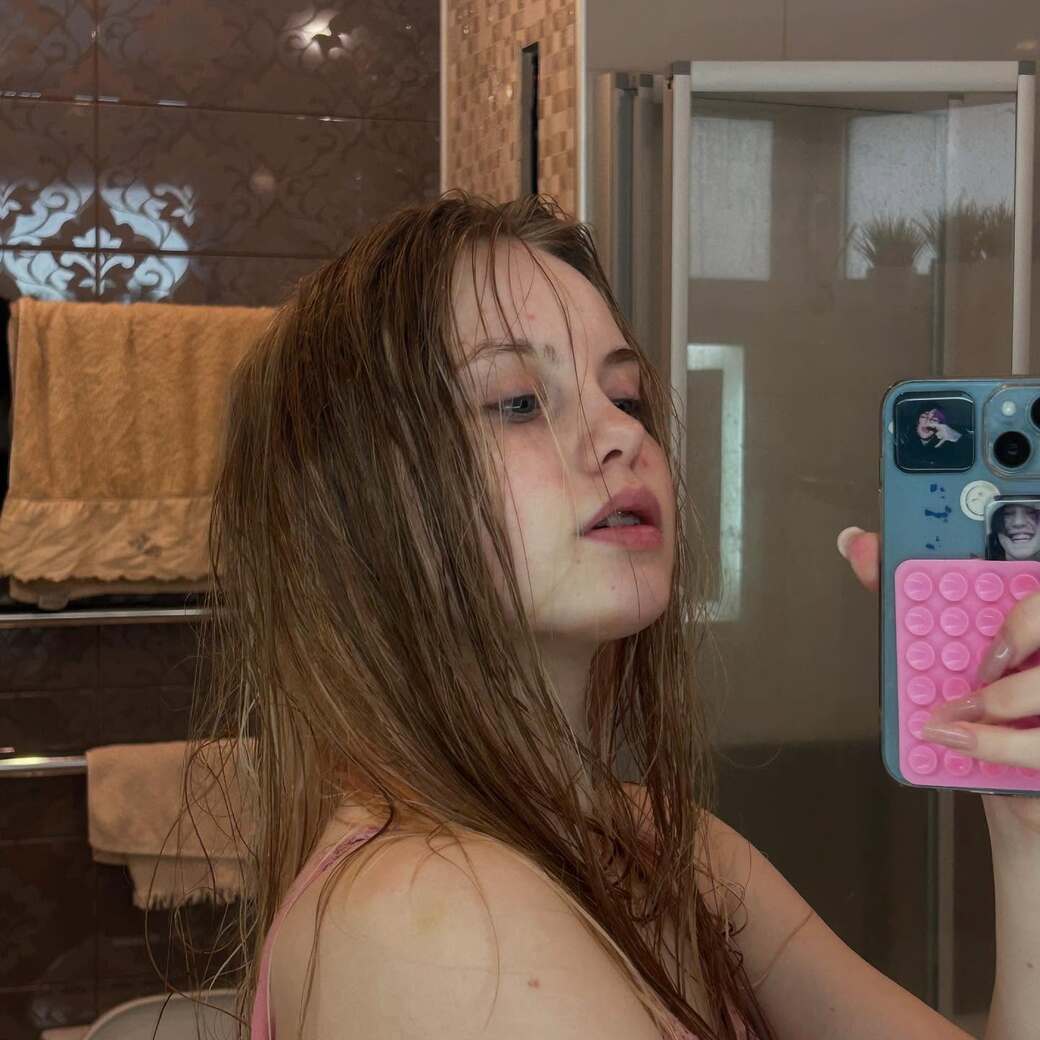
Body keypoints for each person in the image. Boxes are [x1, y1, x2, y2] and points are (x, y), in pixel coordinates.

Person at [178, 193, 1037, 1040]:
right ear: (353, 503)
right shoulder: (431, 916)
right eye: (519, 401)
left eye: (625, 397)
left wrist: (1027, 817)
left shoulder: (675, 850)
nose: (624, 435)